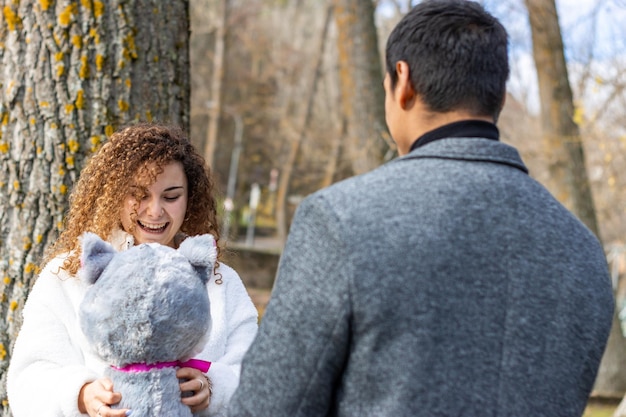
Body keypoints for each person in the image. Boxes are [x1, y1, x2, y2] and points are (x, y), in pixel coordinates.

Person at [228, 1, 614, 416]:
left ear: (403, 81)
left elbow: (267, 407)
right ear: (500, 94)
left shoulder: (341, 220)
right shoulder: (584, 252)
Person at [7, 123, 259, 416]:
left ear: (190, 198)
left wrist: (216, 388)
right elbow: (27, 380)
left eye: (171, 196)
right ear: (114, 194)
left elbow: (259, 375)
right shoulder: (67, 275)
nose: (154, 211)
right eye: (138, 195)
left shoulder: (220, 280)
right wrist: (81, 395)